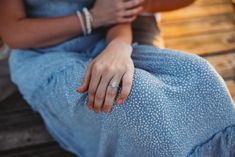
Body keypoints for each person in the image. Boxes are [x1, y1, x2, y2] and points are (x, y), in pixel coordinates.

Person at [0, 0, 235, 157]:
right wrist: (91, 18)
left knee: (200, 74)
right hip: (43, 53)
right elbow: (14, 33)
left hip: (102, 39)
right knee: (136, 100)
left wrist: (119, 47)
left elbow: (118, 7)